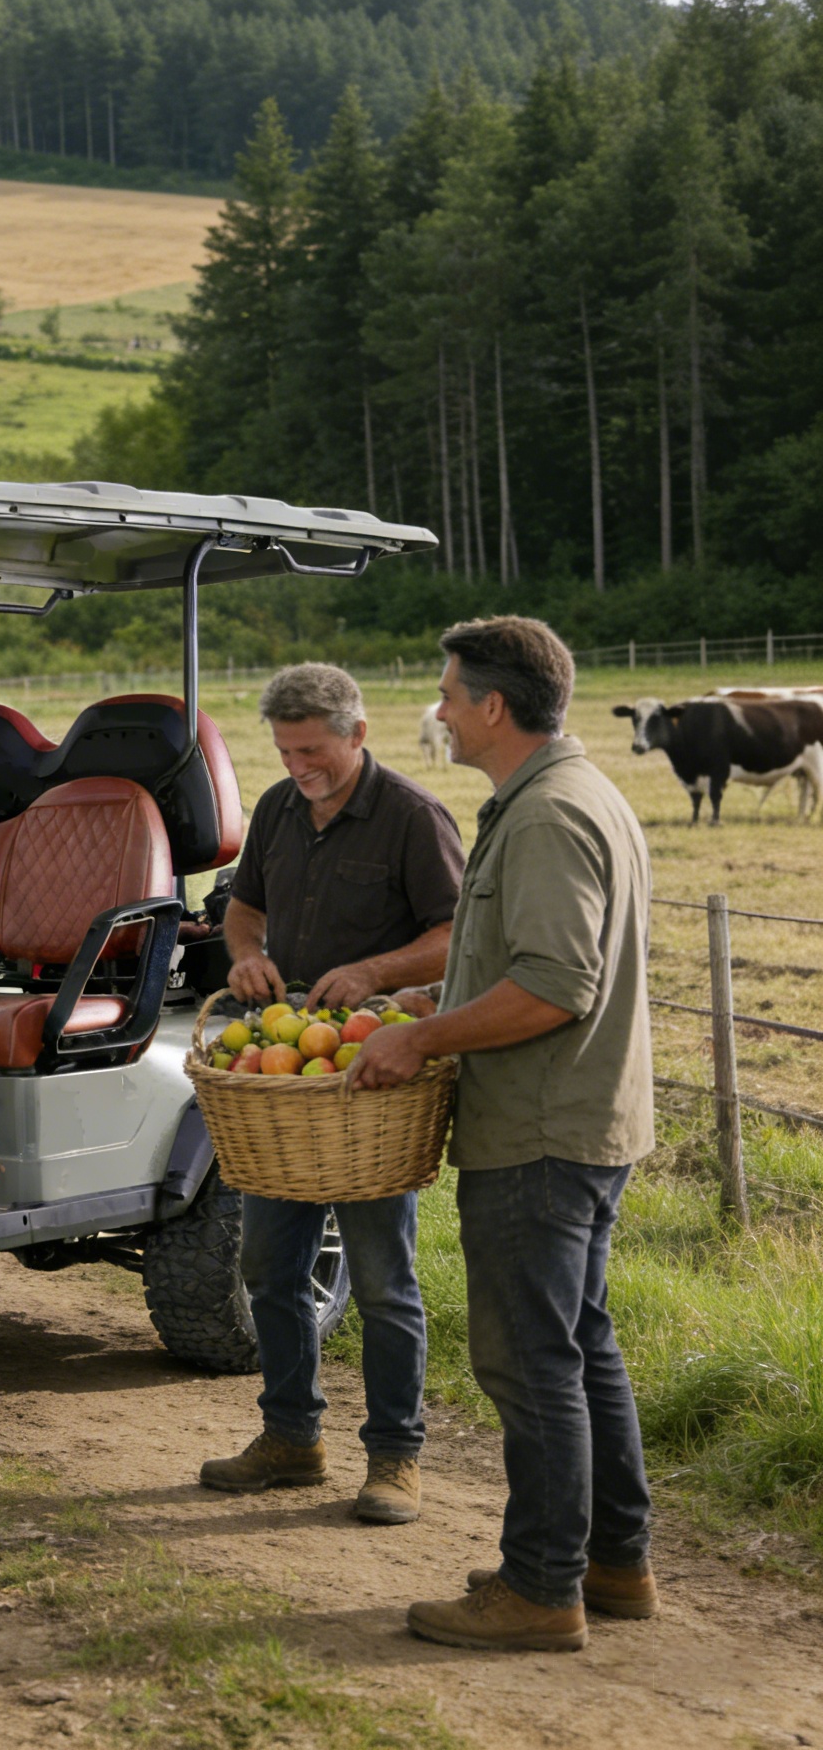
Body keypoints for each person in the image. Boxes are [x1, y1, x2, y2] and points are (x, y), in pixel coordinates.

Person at [353, 617, 655, 1653]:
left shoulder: (540, 817)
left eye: (446, 693)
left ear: (491, 705)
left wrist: (423, 1037)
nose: (435, 710)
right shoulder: (571, 794)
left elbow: (554, 986)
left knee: (530, 1363)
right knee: (580, 1348)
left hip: (536, 1128)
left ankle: (537, 1588)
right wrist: (433, 998)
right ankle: (612, 1562)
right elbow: (529, 961)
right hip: (580, 1118)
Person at [202, 663, 466, 1525]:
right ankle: (292, 1438)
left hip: (374, 1071)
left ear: (357, 736)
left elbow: (457, 931)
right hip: (285, 1069)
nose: (297, 766)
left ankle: (396, 1456)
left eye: (311, 749)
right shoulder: (280, 808)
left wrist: (372, 971)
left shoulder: (411, 816)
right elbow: (245, 907)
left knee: (385, 1281)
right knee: (269, 1270)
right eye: (283, 750)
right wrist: (246, 954)